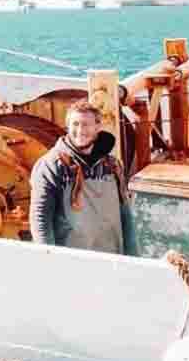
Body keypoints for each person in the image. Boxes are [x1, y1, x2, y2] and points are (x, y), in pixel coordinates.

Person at [29, 100, 135, 255]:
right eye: (75, 124)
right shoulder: (51, 166)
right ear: (67, 127)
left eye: (86, 124)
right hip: (72, 264)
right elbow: (40, 220)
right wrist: (49, 261)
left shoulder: (113, 165)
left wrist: (134, 257)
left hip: (112, 259)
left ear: (98, 127)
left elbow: (125, 215)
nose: (80, 130)